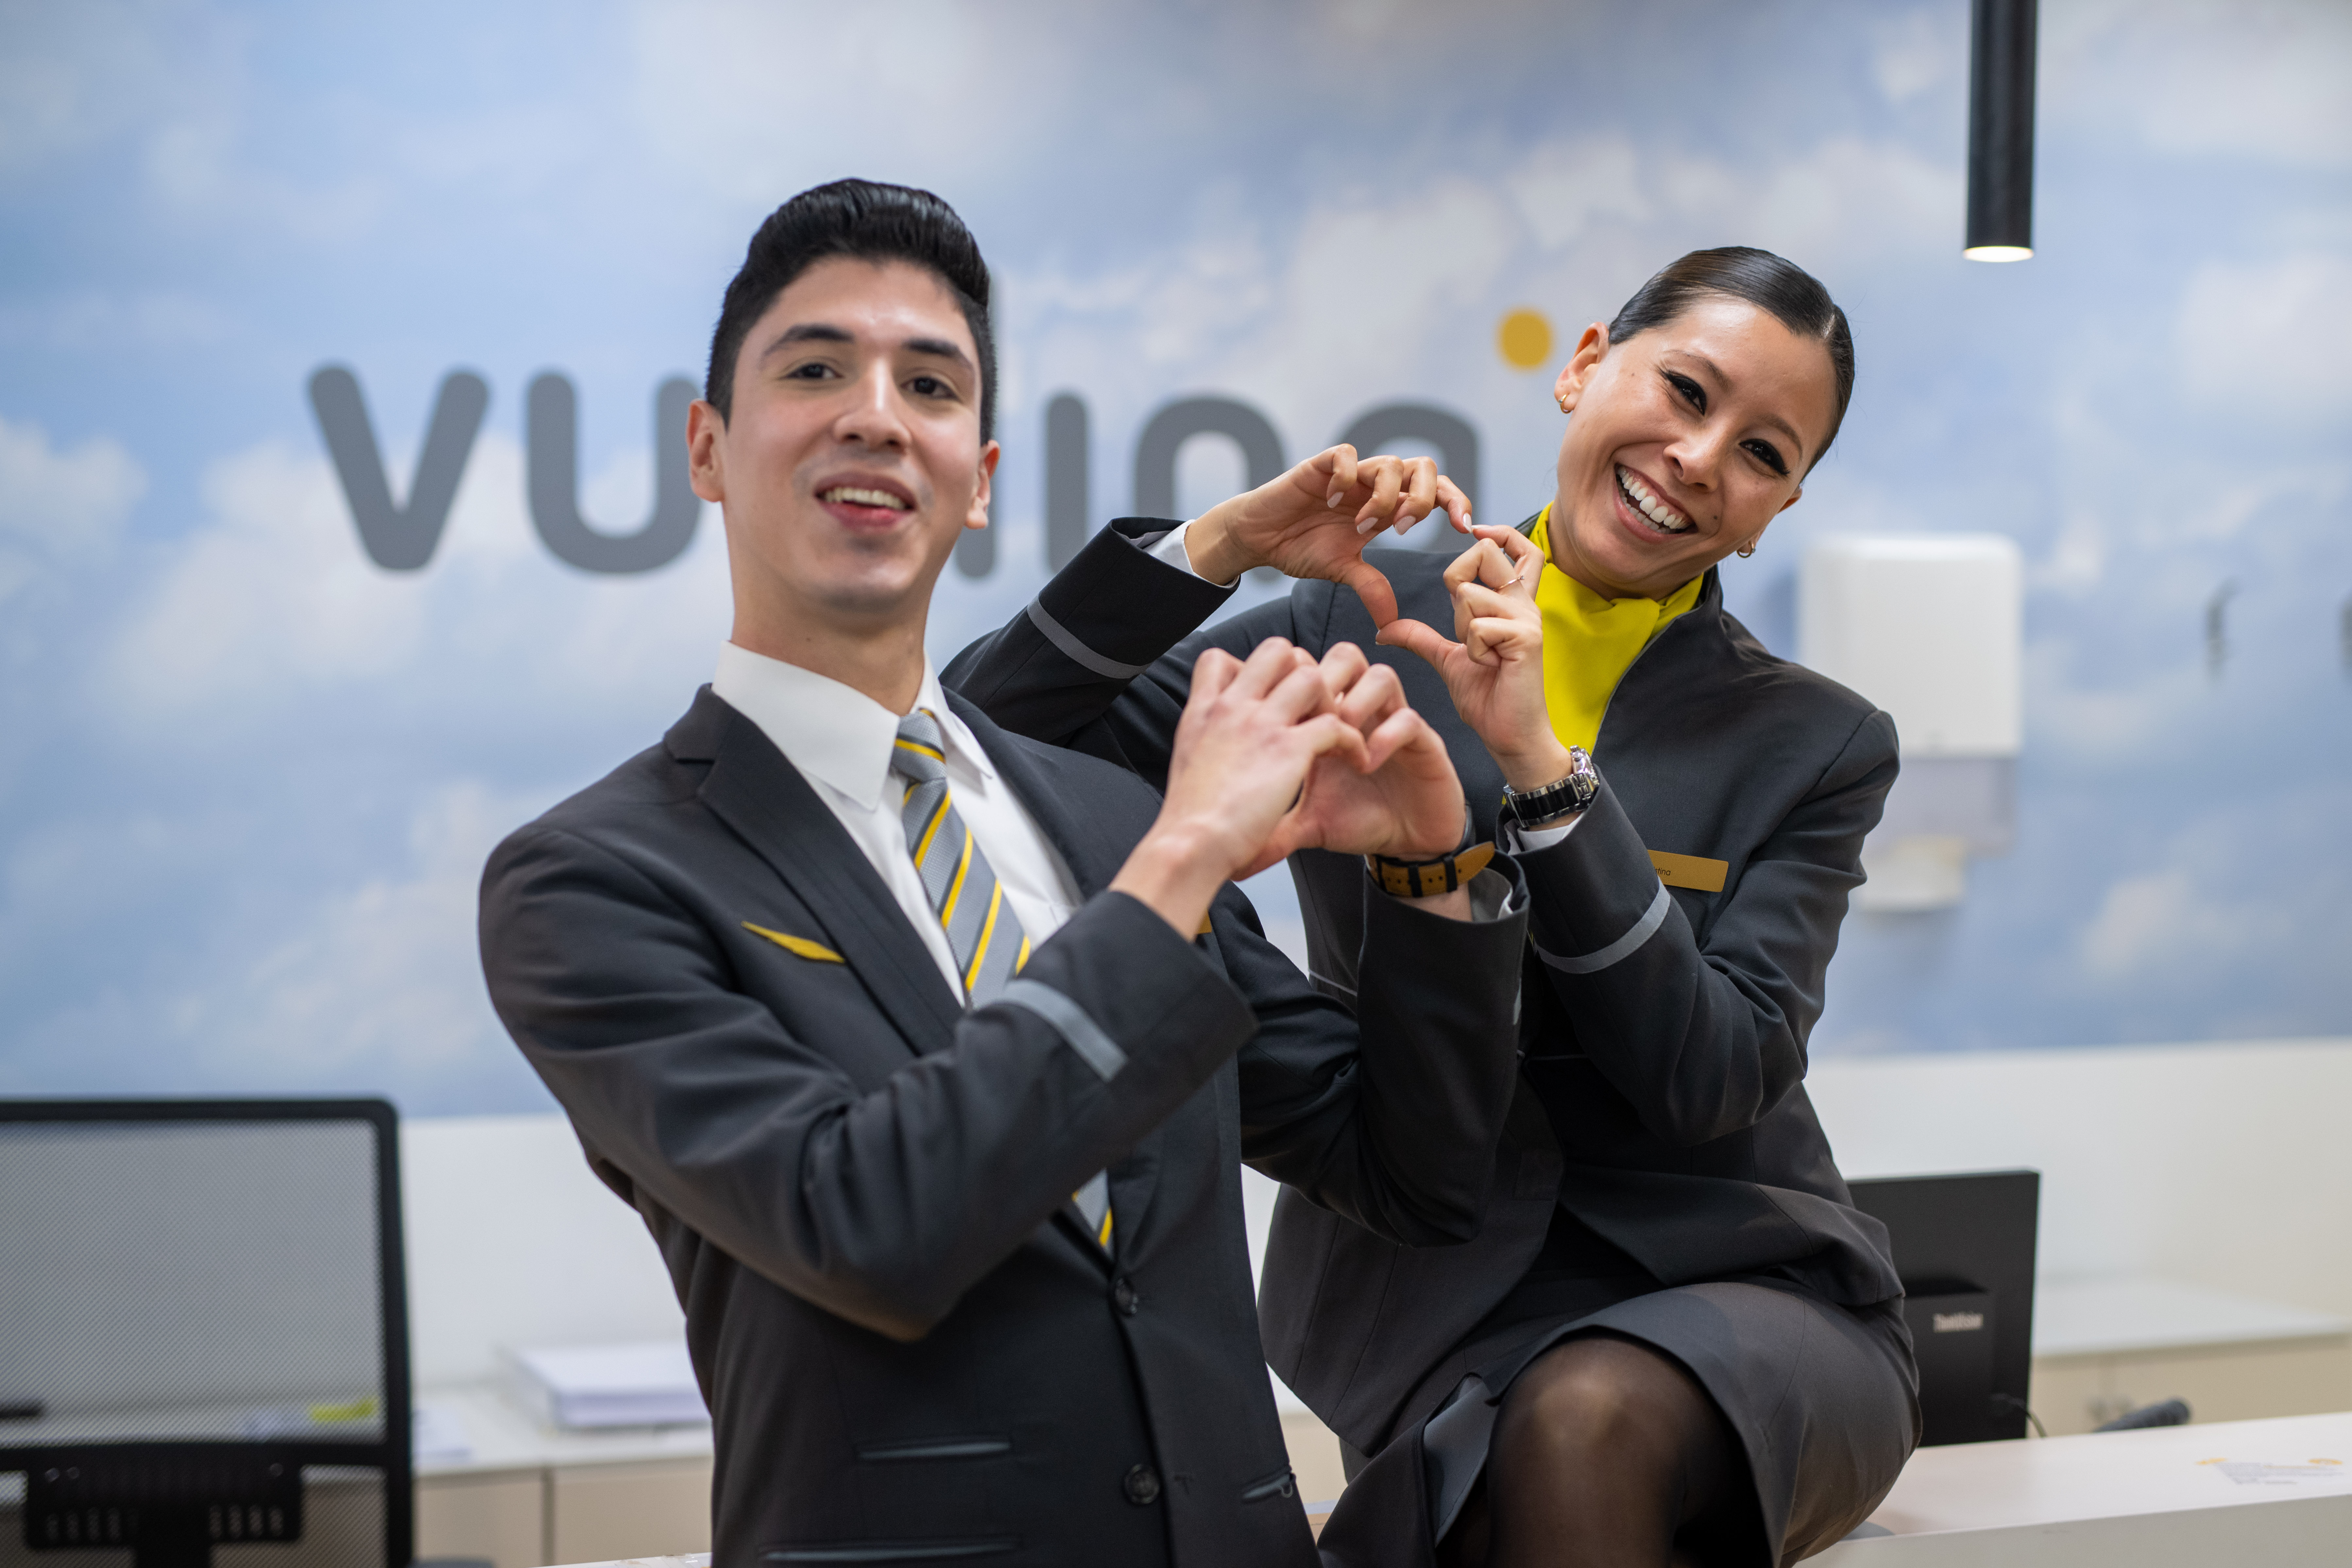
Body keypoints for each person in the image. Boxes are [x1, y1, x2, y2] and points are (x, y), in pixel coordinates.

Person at [476, 179, 1540, 1568]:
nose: (872, 411)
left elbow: (1403, 1170)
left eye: (928, 382)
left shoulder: (1100, 813)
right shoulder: (591, 877)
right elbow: (866, 1224)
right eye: (813, 368)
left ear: (976, 479)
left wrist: (1434, 869)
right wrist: (1180, 859)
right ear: (706, 447)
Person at [948, 247, 1919, 1566]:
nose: (1699, 457)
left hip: (1738, 1286)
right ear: (1583, 367)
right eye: (1683, 392)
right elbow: (994, 736)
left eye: (1759, 451)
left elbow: (1711, 1075)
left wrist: (1539, 769)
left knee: (1578, 1423)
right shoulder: (1351, 618)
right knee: (1534, 1445)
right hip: (1428, 1289)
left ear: (1776, 506)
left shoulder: (1813, 741)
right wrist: (1221, 545)